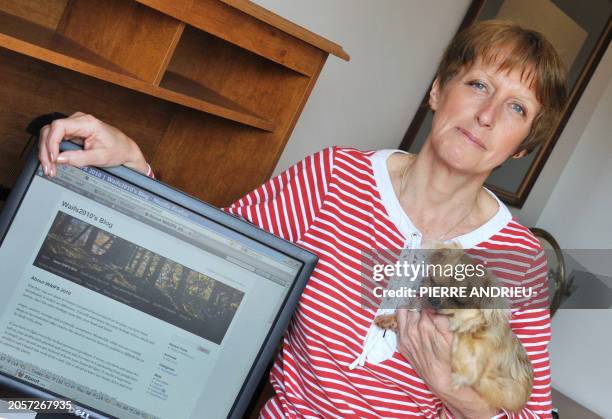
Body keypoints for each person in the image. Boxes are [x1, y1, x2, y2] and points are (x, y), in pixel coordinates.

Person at [38, 20, 567, 418]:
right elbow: (207, 255)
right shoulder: (334, 176)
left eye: (518, 108)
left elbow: (532, 413)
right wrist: (136, 165)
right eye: (478, 85)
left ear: (522, 148)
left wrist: (459, 396)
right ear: (438, 90)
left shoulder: (518, 259)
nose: (487, 115)